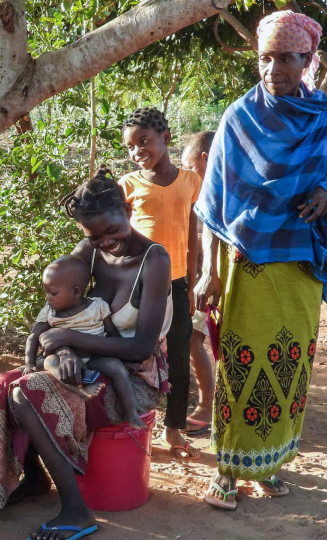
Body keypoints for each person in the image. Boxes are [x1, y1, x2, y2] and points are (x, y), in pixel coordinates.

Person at [194, 10, 327, 510]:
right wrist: (208, 272)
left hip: (301, 261)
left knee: (288, 367)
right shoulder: (239, 118)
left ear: (307, 60)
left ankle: (268, 465)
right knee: (243, 368)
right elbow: (213, 203)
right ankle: (227, 471)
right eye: (266, 58)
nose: (274, 68)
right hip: (248, 264)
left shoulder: (320, 114)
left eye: (286, 58)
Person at [0, 171, 171, 540]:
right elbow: (56, 309)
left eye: (112, 230)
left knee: (27, 393)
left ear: (128, 210)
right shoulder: (90, 251)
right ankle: (29, 478)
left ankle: (76, 511)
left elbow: (141, 347)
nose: (105, 242)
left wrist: (69, 338)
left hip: (134, 376)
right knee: (4, 384)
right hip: (86, 362)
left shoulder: (154, 260)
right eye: (93, 236)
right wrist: (62, 348)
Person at [120, 106, 203, 459]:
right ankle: (137, 423)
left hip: (180, 283)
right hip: (140, 286)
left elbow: (192, 232)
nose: (138, 151)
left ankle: (174, 428)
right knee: (140, 354)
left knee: (180, 356)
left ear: (165, 138)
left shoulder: (189, 181)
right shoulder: (128, 185)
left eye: (144, 141)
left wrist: (196, 275)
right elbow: (118, 236)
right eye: (130, 146)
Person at [24, 255, 146, 429]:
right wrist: (29, 363)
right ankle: (80, 390)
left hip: (96, 356)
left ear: (75, 291)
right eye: (46, 291)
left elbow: (112, 334)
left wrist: (124, 360)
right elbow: (33, 337)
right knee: (50, 362)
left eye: (53, 292)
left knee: (117, 368)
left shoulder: (97, 306)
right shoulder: (49, 312)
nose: (48, 297)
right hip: (64, 360)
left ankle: (131, 412)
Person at [181, 130, 217, 435]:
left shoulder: (216, 190)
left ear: (206, 159)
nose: (188, 175)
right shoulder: (202, 190)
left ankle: (207, 406)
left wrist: (206, 274)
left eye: (190, 167)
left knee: (194, 340)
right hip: (200, 278)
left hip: (208, 280)